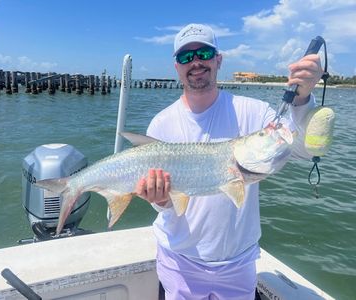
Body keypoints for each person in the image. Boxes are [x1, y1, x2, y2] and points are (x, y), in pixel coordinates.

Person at [135, 23, 323, 300]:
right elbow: (163, 205)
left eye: (204, 53)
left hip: (239, 263)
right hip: (180, 262)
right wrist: (159, 199)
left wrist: (303, 98)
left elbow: (304, 150)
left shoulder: (255, 112)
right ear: (176, 66)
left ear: (218, 59)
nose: (196, 61)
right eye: (186, 57)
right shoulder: (161, 124)